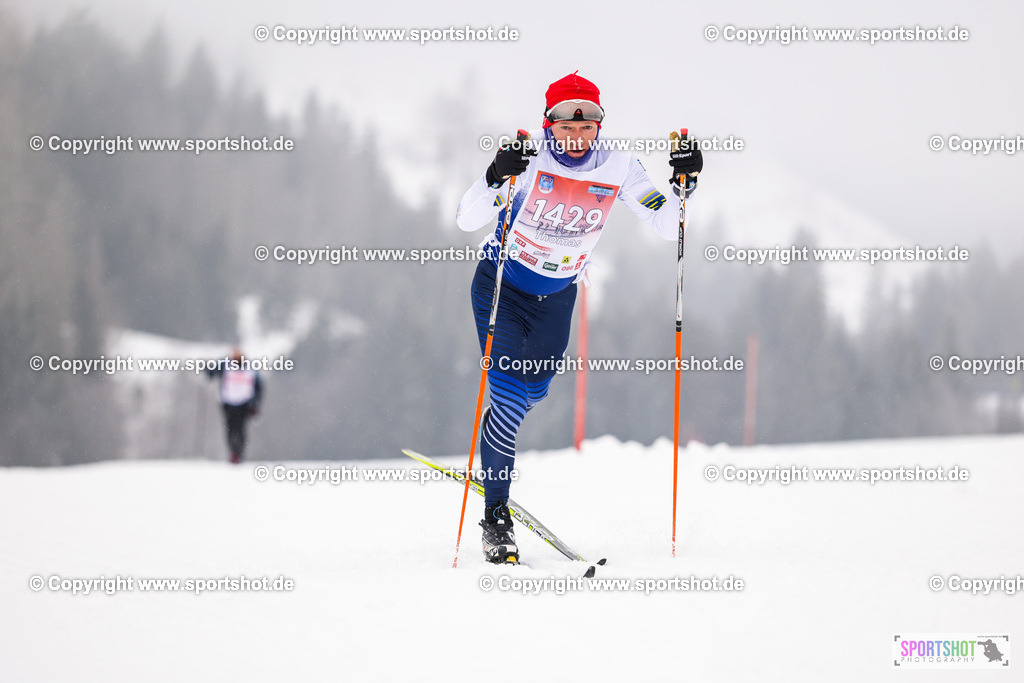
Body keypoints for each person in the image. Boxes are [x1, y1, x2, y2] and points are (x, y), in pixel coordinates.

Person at [456, 71, 703, 563]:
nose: (575, 136)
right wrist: (493, 175)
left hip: (558, 297)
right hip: (502, 287)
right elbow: (466, 217)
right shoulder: (528, 162)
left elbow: (663, 222)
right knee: (505, 398)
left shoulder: (620, 167)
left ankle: (495, 445)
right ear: (548, 124)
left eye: (586, 125)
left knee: (531, 392)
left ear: (598, 126)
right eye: (565, 125)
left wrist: (684, 186)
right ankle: (496, 518)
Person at [206, 348, 263, 464]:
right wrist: (208, 370)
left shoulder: (251, 369)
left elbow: (259, 388)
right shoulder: (225, 364)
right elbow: (212, 372)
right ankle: (233, 452)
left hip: (244, 404)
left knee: (240, 428)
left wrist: (255, 405)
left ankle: (238, 452)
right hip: (228, 403)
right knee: (230, 428)